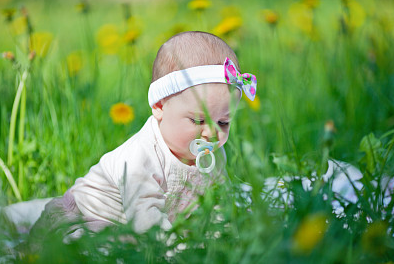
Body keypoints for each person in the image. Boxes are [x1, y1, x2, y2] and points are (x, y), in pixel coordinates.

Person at [25, 31, 257, 238]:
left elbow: (218, 200)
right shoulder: (141, 156)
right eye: (198, 120)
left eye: (224, 122)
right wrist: (178, 249)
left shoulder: (214, 155)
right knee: (93, 247)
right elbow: (146, 219)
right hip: (89, 217)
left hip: (141, 226)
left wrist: (221, 231)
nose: (211, 133)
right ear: (159, 106)